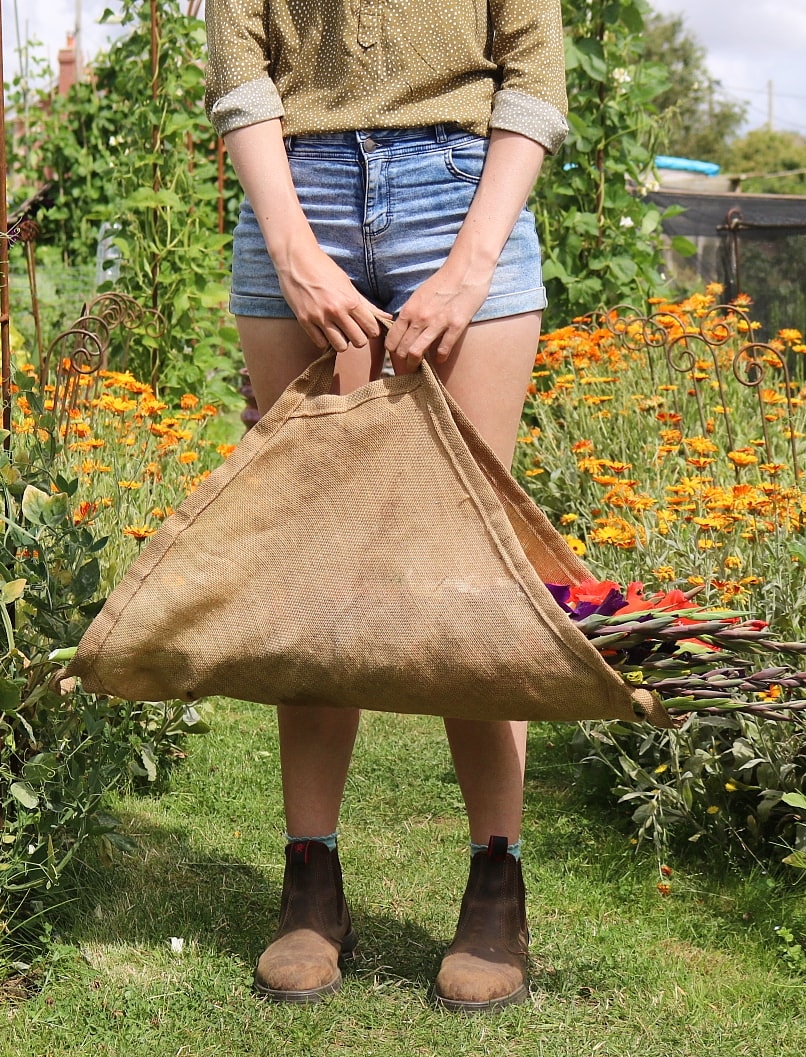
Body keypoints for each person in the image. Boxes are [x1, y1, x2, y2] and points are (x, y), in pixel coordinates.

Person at [204, 0, 570, 1011]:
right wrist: (290, 248)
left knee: (468, 571)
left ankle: (496, 882)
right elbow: (239, 63)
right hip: (298, 193)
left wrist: (470, 263)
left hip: (461, 194)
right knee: (317, 572)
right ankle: (310, 882)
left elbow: (533, 67)